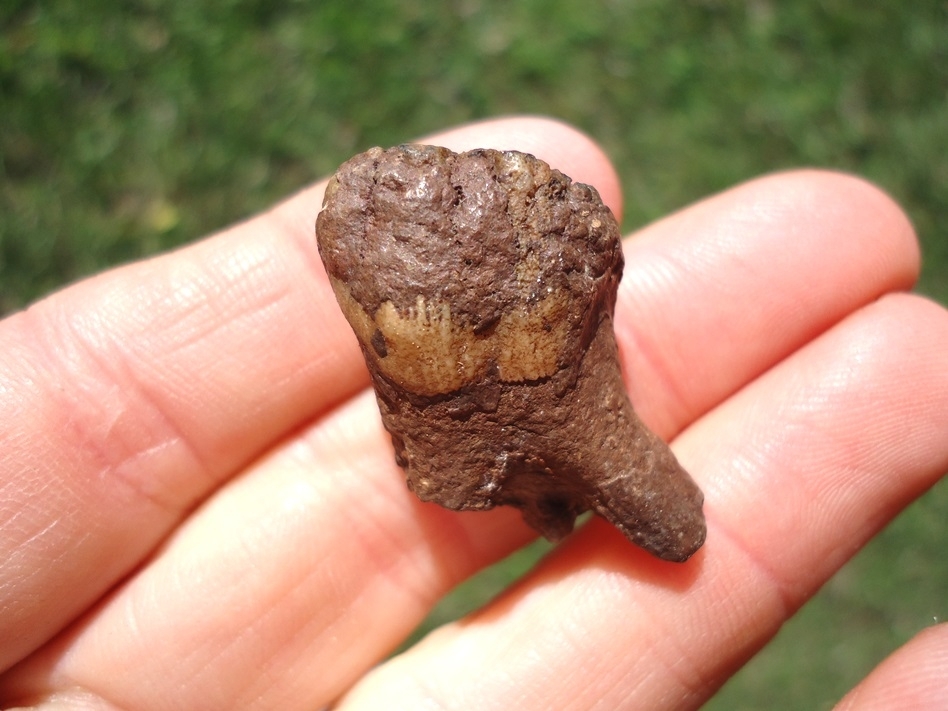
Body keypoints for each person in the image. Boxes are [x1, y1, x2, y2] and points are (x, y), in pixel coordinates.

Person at [0, 116, 945, 710]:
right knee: (639, 504)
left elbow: (661, 507)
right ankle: (550, 492)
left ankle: (552, 491)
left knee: (644, 504)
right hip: (488, 425)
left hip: (522, 407)